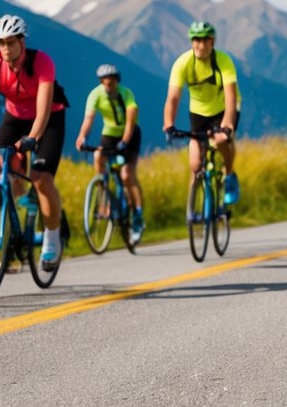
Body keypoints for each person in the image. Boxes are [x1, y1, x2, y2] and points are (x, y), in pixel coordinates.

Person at [0, 14, 66, 272]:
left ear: (22, 40)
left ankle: (52, 241)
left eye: (10, 42)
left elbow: (43, 108)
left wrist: (33, 138)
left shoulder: (42, 62)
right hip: (15, 117)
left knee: (41, 177)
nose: (5, 49)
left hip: (49, 117)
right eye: (0, 43)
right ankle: (15, 219)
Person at [162, 21, 242, 205]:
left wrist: (227, 124)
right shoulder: (182, 63)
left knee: (221, 140)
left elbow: (231, 97)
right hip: (198, 113)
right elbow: (173, 99)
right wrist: (168, 124)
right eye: (196, 40)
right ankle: (195, 211)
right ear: (191, 42)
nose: (200, 45)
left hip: (224, 109)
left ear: (212, 42)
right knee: (196, 165)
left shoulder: (223, 60)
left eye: (205, 40)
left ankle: (229, 175)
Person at [75, 63, 145, 244]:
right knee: (98, 156)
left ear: (116, 81)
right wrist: (82, 137)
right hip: (109, 134)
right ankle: (103, 188)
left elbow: (131, 121)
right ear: (101, 82)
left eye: (112, 83)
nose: (109, 86)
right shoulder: (95, 95)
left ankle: (137, 215)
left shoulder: (126, 94)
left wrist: (125, 141)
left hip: (130, 134)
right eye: (105, 83)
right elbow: (88, 119)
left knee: (127, 174)